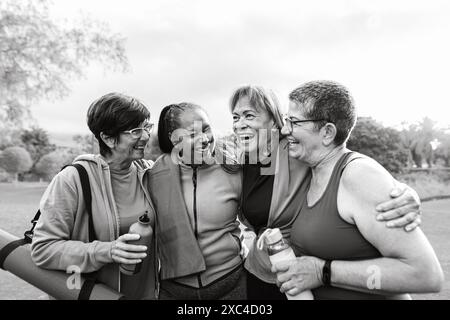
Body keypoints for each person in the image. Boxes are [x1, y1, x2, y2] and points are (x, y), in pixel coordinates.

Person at [229, 85, 424, 300]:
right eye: (235, 117)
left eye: (249, 115)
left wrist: (403, 191)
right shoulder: (241, 160)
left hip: (302, 275)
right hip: (261, 271)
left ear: (275, 120)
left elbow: (339, 157)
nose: (240, 124)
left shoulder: (295, 149)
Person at [272, 80, 444, 299]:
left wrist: (323, 271)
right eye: (287, 120)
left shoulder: (358, 176)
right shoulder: (308, 168)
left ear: (327, 132)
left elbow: (425, 275)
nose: (285, 129)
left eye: (294, 122)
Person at [31, 93, 158, 299]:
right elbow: (43, 249)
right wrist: (107, 251)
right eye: (135, 131)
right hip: (93, 294)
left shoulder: (150, 174)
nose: (145, 136)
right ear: (108, 138)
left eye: (147, 127)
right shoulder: (72, 179)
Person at [148, 102, 246, 300]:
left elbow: (255, 217)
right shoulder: (154, 175)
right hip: (174, 289)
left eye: (207, 129)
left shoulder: (233, 169)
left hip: (230, 283)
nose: (204, 139)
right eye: (192, 134)